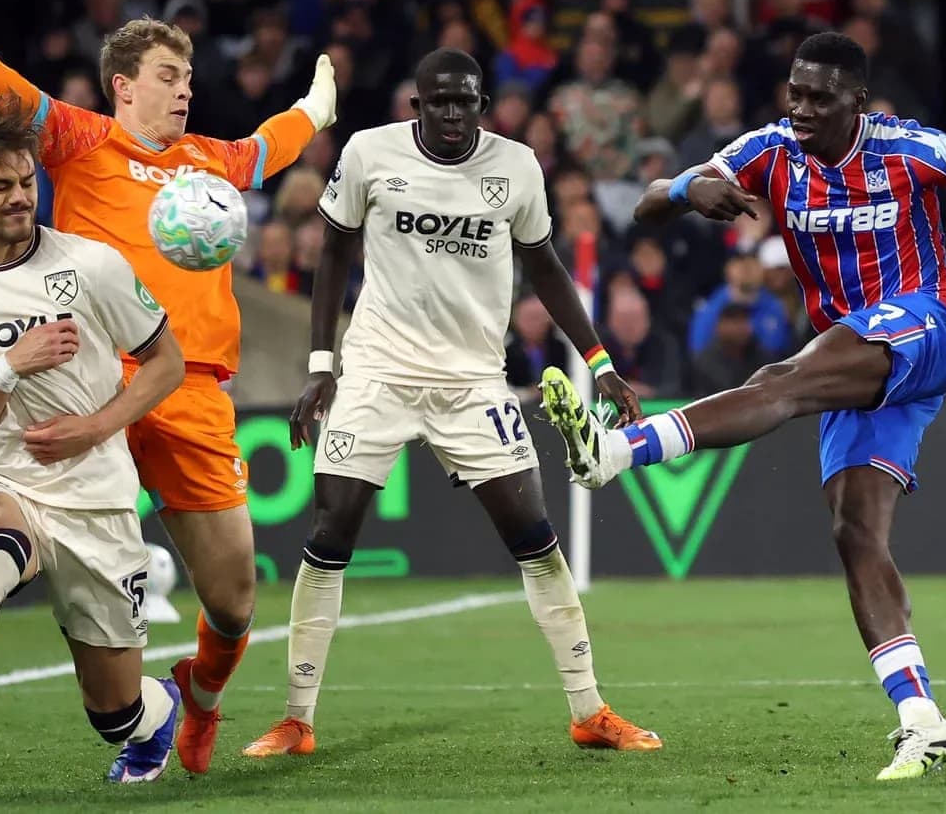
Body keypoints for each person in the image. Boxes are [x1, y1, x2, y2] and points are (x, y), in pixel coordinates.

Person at [0, 0, 336, 774]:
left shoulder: (210, 163)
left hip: (188, 385)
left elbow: (266, 145)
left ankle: (197, 702)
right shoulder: (78, 141)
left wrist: (315, 112)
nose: (186, 89)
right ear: (124, 86)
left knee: (234, 601)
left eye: (190, 77)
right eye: (170, 76)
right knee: (12, 456)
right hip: (88, 366)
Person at [539, 32, 946, 781]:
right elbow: (652, 205)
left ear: (857, 100)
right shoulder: (770, 150)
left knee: (781, 382)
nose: (801, 108)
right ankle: (923, 718)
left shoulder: (907, 148)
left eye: (820, 97)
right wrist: (691, 188)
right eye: (795, 92)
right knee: (855, 530)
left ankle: (615, 452)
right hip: (855, 362)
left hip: (928, 325)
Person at [241, 48, 660, 758]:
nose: (455, 114)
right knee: (332, 525)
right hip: (378, 369)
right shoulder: (369, 154)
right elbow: (334, 254)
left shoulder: (517, 167)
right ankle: (296, 718)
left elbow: (546, 268)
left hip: (472, 381)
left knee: (532, 532)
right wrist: (322, 367)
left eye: (467, 102)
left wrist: (600, 362)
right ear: (417, 106)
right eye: (441, 102)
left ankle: (589, 710)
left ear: (481, 106)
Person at [0, 106, 186, 796]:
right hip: (0, 476)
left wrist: (94, 425)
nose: (21, 196)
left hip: (96, 492)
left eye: (27, 181)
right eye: (1, 185)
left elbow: (166, 363)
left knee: (117, 714)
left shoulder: (91, 266)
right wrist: (7, 368)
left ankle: (161, 710)